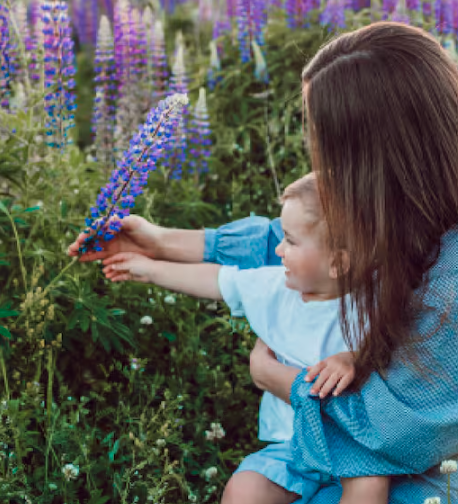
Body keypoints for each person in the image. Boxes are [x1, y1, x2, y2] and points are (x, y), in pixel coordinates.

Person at [69, 21, 458, 504]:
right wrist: (158, 241)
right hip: (399, 424)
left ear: (384, 146)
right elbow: (305, 238)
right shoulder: (427, 186)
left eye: (331, 141)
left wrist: (281, 381)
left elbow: (408, 427)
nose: (323, 158)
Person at [87, 174, 389, 504]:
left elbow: (396, 347)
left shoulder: (373, 302)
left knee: (370, 485)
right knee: (244, 490)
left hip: (354, 446)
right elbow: (218, 281)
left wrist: (353, 357)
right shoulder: (276, 288)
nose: (278, 249)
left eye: (290, 240)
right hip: (292, 446)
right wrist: (148, 269)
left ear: (337, 263)